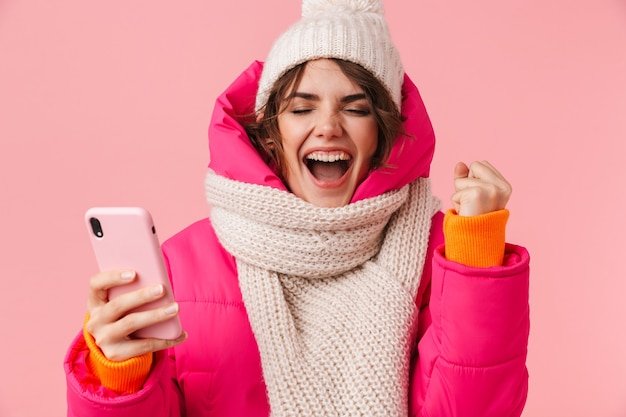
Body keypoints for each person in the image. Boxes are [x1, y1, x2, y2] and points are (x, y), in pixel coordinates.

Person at [64, 0, 530, 416]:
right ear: (272, 133)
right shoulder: (181, 264)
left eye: (357, 108)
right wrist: (119, 378)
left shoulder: (443, 253)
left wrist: (478, 262)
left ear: (383, 134)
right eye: (301, 109)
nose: (327, 127)